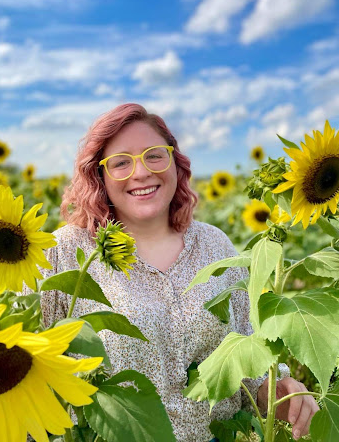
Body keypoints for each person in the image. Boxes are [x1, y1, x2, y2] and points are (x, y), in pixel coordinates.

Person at [39, 103, 319, 442]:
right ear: (99, 176)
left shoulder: (214, 245)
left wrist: (277, 389)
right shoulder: (64, 252)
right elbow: (27, 363)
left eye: (154, 155)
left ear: (175, 162)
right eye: (121, 163)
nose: (141, 172)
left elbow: (246, 348)